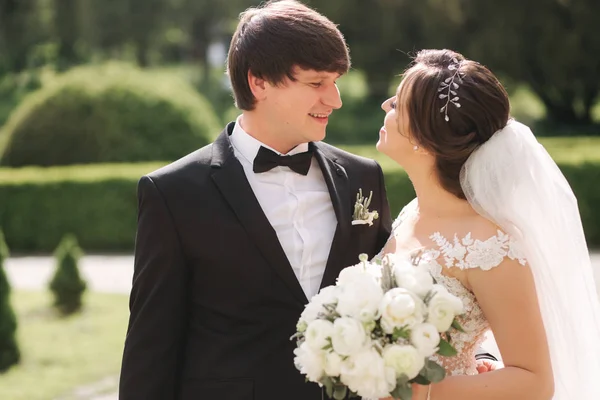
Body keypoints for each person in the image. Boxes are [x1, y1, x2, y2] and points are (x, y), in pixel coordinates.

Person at [117, 1, 392, 399]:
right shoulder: (173, 193)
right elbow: (151, 346)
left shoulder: (364, 179)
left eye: (335, 82)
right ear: (259, 81)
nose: (335, 100)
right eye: (316, 83)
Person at [376, 49, 600, 399]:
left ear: (422, 137)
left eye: (398, 103)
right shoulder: (411, 211)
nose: (385, 106)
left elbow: (535, 381)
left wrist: (417, 392)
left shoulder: (488, 244)